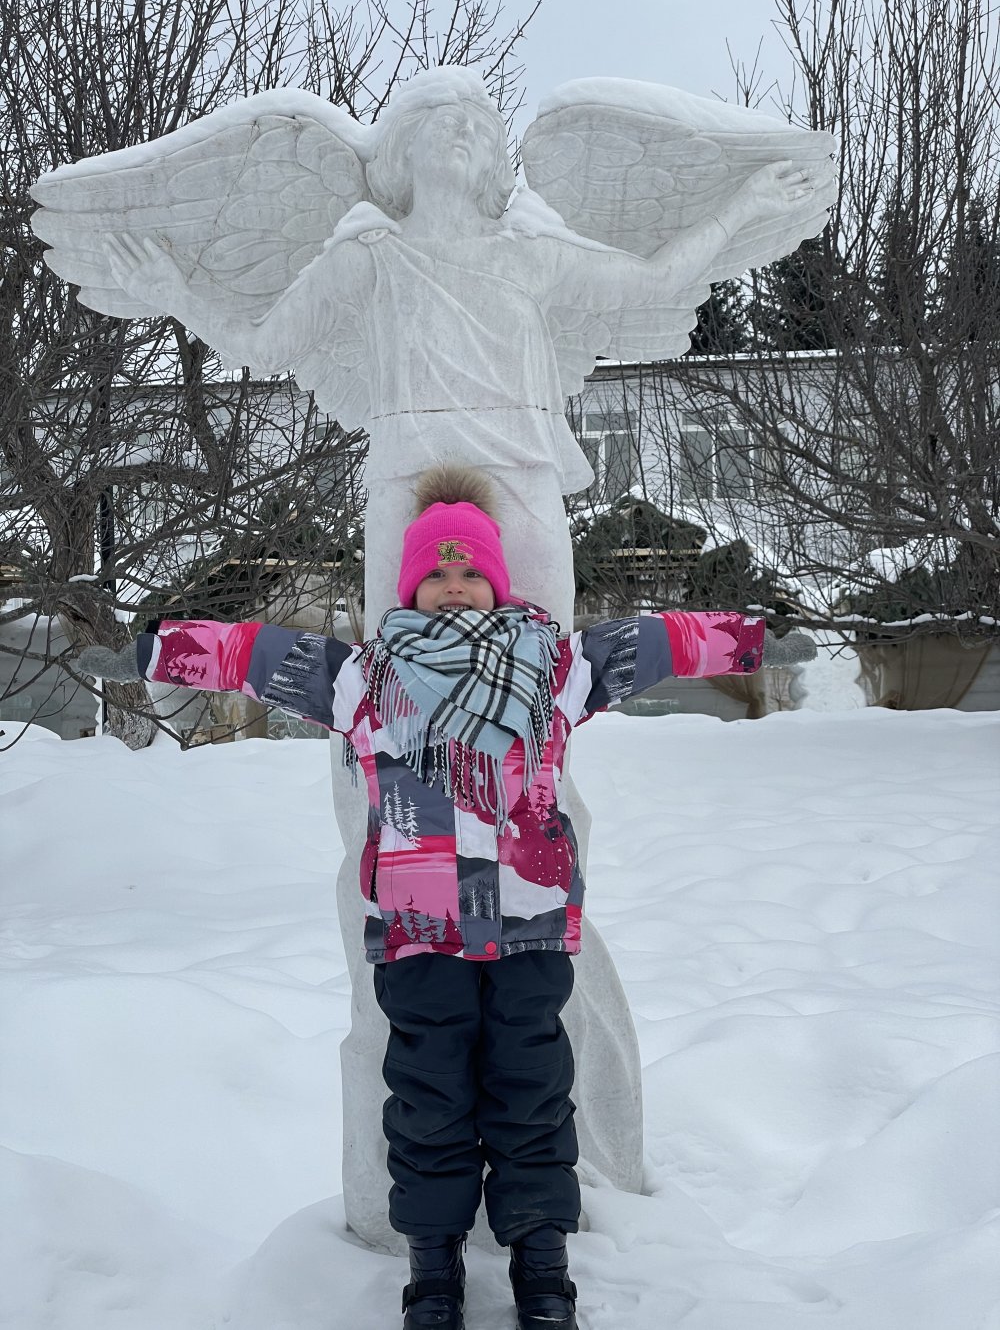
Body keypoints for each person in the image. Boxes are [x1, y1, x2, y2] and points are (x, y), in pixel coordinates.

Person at [78, 466, 814, 1330]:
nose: (455, 586)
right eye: (438, 573)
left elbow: (654, 644)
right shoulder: (367, 678)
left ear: (497, 583)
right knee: (426, 1105)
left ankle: (544, 1271)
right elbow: (257, 655)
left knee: (533, 1099)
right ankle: (434, 1272)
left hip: (530, 928)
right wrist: (152, 653)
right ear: (412, 585)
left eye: (470, 573)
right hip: (421, 933)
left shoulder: (554, 666)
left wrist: (752, 639)